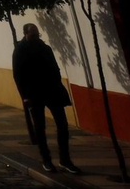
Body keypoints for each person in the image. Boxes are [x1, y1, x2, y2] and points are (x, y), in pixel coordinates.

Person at [13, 23, 81, 174]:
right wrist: (25, 96)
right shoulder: (20, 50)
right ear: (25, 34)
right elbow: (18, 75)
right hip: (34, 95)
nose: (36, 37)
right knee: (40, 128)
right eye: (33, 35)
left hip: (52, 92)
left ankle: (65, 159)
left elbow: (55, 68)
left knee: (62, 125)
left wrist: (57, 85)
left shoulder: (45, 48)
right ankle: (47, 160)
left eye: (38, 35)